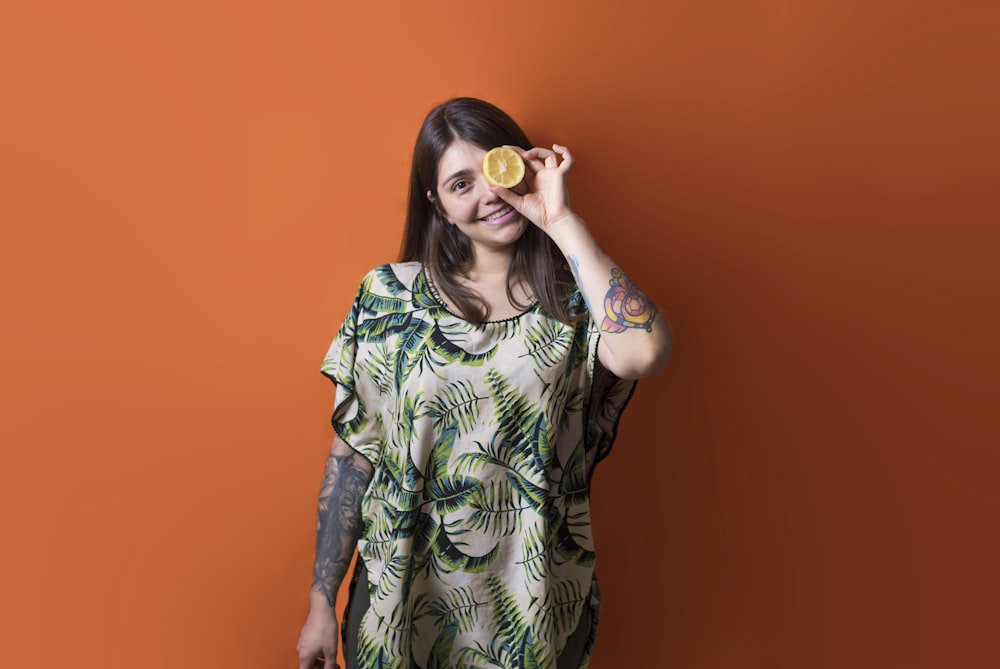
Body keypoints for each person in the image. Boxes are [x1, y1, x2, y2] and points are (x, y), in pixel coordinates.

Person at [296, 97, 672, 669]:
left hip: (534, 609)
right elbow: (353, 459)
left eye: (493, 169)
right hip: (400, 605)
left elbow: (645, 349)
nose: (488, 196)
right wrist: (321, 603)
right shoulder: (388, 298)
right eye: (459, 184)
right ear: (437, 205)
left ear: (521, 165)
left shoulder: (578, 306)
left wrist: (563, 225)